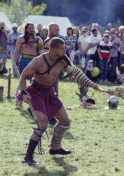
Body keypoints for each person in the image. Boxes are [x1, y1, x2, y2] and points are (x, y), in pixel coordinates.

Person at [18, 37, 99, 165]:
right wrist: (23, 93)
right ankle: (28, 157)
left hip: (50, 93)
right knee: (42, 125)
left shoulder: (63, 60)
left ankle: (55, 148)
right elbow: (23, 75)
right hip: (36, 93)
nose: (64, 50)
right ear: (53, 49)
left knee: (65, 121)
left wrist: (91, 84)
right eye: (62, 48)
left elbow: (77, 73)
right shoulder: (38, 61)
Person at [14, 23, 44, 109]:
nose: (31, 29)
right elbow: (16, 51)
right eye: (29, 28)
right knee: (21, 82)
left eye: (32, 28)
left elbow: (42, 54)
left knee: (34, 83)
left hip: (34, 61)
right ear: (26, 29)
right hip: (23, 60)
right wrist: (16, 61)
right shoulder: (21, 38)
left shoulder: (38, 40)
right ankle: (18, 103)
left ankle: (34, 103)